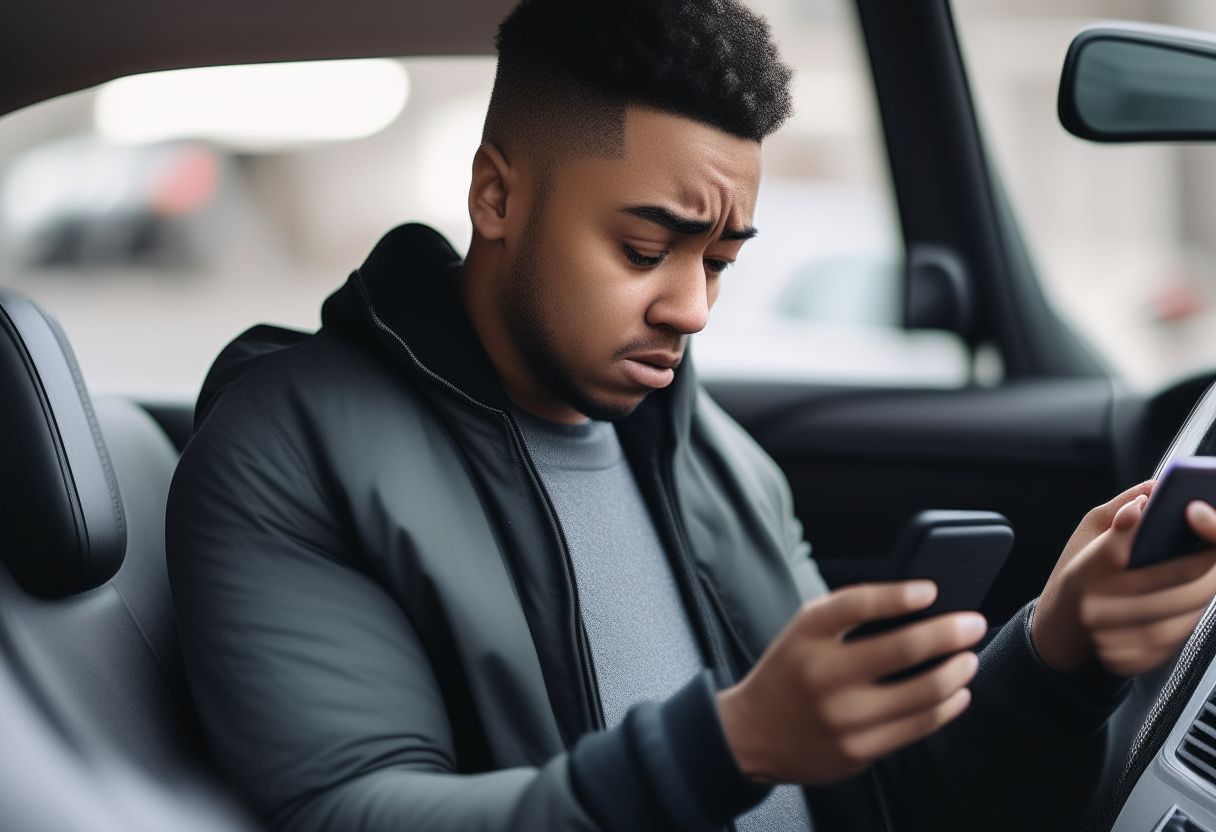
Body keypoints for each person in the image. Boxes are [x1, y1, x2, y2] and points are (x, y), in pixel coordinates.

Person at [165, 1, 1216, 830]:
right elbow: (347, 809)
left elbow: (887, 802)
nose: (692, 307)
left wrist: (1056, 651)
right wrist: (722, 750)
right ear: (496, 197)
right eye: (642, 249)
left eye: (719, 260)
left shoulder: (711, 451)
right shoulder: (292, 444)